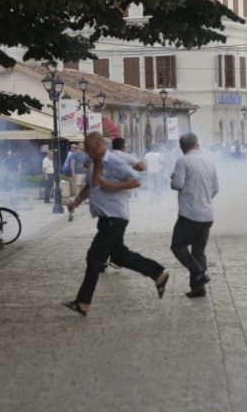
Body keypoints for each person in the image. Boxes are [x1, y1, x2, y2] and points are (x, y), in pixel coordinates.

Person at [62, 131, 170, 316]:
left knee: (94, 258)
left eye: (87, 146)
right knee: (119, 256)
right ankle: (158, 273)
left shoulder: (114, 161)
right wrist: (77, 201)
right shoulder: (94, 163)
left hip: (115, 217)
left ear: (97, 145)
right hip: (106, 218)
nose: (85, 150)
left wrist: (112, 186)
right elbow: (89, 185)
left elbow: (136, 181)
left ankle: (83, 302)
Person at [170, 133, 219, 298]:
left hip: (190, 213)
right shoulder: (209, 161)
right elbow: (216, 188)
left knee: (178, 246)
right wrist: (205, 199)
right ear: (197, 145)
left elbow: (178, 184)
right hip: (207, 213)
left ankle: (198, 273)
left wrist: (173, 179)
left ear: (182, 147)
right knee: (199, 251)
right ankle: (199, 289)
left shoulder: (183, 161)